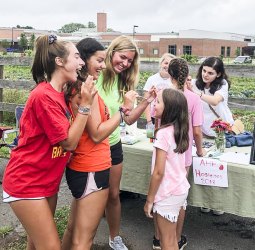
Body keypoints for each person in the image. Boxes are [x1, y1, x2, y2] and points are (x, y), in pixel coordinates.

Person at [2, 34, 97, 250]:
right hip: (27, 182)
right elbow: (69, 143)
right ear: (60, 61)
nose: (81, 62)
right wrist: (85, 106)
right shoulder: (43, 96)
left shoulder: (57, 94)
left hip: (46, 183)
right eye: (76, 57)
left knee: (35, 244)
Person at [61, 38, 137, 250]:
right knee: (85, 237)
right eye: (99, 60)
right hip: (92, 168)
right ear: (84, 60)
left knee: (73, 228)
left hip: (83, 166)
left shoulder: (79, 87)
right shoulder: (87, 91)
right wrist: (123, 110)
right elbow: (96, 134)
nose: (104, 66)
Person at [95, 35, 155, 250]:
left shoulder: (122, 81)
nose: (126, 63)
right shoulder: (97, 75)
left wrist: (146, 101)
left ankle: (114, 237)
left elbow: (128, 118)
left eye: (130, 60)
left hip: (113, 143)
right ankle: (83, 235)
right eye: (122, 57)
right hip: (93, 144)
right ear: (111, 52)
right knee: (91, 195)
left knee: (113, 194)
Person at [151, 58, 206, 250]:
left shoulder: (162, 94)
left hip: (162, 147)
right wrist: (200, 150)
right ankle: (175, 236)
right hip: (184, 151)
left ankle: (159, 237)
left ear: (170, 73)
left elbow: (155, 122)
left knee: (161, 192)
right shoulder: (193, 98)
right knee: (179, 196)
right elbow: (197, 131)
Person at [144, 88, 190, 250]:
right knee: (169, 239)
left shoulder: (163, 133)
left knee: (167, 241)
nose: (154, 105)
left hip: (168, 192)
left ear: (169, 108)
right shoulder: (179, 131)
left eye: (158, 102)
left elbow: (158, 172)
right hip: (179, 188)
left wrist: (149, 200)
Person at [192, 56, 234, 138]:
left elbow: (215, 101)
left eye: (210, 73)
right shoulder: (194, 83)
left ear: (218, 74)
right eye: (204, 71)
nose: (205, 75)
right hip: (204, 131)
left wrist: (197, 94)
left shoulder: (222, 84)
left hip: (222, 129)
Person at [143, 53, 176, 125]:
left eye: (170, 65)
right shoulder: (151, 79)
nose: (167, 66)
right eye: (166, 63)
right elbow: (146, 101)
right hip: (153, 116)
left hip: (169, 118)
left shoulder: (175, 81)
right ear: (161, 63)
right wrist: (149, 121)